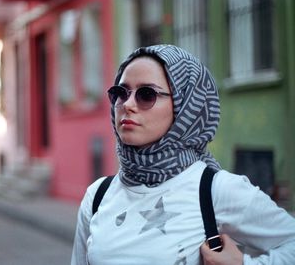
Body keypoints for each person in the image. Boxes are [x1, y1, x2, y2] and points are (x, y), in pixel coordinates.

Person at [71, 45, 295, 265]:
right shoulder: (98, 195)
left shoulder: (215, 190)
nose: (128, 104)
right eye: (121, 93)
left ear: (185, 106)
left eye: (146, 94)